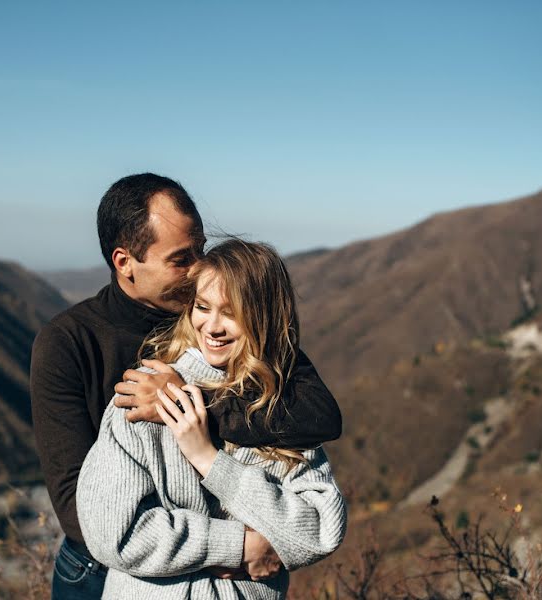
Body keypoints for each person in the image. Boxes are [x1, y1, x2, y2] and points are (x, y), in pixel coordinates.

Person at [30, 174, 342, 599]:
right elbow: (78, 508)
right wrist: (237, 546)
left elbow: (319, 415)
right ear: (125, 263)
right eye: (181, 259)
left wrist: (192, 409)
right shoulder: (69, 342)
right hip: (99, 569)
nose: (199, 269)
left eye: (200, 249)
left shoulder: (223, 328)